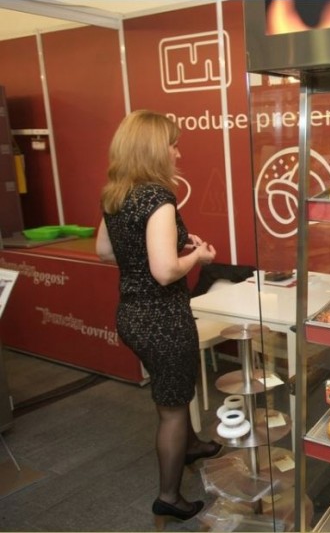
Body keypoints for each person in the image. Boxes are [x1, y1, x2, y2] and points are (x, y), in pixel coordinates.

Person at [96, 110, 220, 527]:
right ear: (153, 149)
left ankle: (192, 445)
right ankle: (169, 497)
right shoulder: (158, 198)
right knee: (172, 407)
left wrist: (159, 250)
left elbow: (105, 251)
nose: (177, 152)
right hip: (162, 318)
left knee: (173, 390)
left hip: (132, 314)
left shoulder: (116, 195)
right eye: (173, 144)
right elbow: (165, 271)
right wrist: (196, 256)